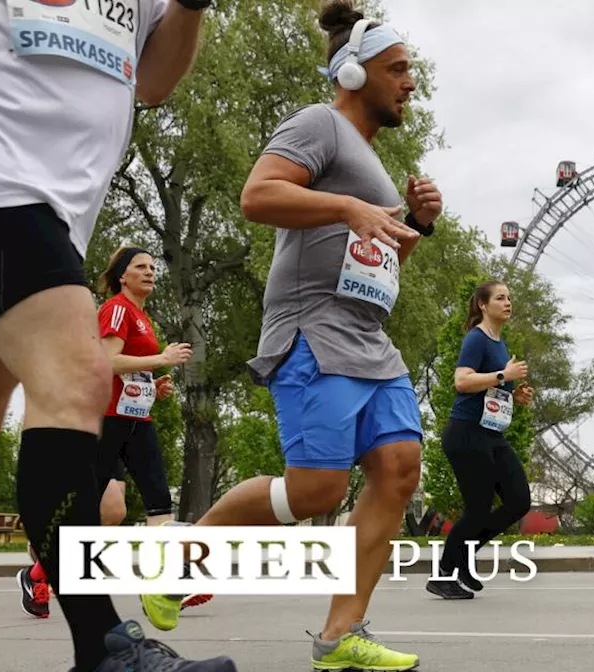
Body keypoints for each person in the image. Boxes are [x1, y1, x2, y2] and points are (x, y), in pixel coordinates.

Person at [138, 3, 440, 669]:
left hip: (369, 339)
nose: (409, 82)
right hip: (314, 333)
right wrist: (348, 205)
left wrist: (415, 224)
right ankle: (179, 560)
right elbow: (257, 195)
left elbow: (380, 260)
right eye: (398, 70)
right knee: (317, 492)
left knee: (398, 470)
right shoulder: (319, 125)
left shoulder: (370, 158)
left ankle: (341, 637)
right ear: (354, 72)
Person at [0, 0, 237, 668]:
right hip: (7, 190)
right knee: (75, 380)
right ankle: (104, 650)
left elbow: (152, 82)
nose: (152, 273)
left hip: (61, 217)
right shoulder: (117, 311)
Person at [16, 246, 214, 619]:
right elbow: (106, 360)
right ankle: (39, 573)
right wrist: (162, 359)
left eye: (154, 267)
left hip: (135, 420)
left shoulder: (140, 314)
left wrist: (153, 385)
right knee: (93, 510)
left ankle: (172, 578)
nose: (150, 272)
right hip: (105, 420)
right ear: (123, 275)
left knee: (153, 501)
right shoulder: (117, 308)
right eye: (141, 267)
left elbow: (126, 371)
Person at [427, 280, 535, 600]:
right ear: (484, 306)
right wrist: (504, 376)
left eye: (509, 297)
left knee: (518, 500)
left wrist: (514, 394)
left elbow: (488, 389)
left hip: (491, 435)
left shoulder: (500, 344)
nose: (507, 302)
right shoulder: (477, 338)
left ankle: (464, 560)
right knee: (477, 509)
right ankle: (445, 572)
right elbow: (462, 381)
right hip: (466, 434)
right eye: (500, 298)